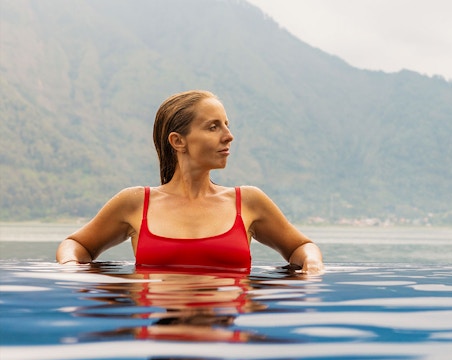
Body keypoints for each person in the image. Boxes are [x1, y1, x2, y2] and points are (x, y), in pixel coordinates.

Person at [56, 90, 323, 274]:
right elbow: (77, 245)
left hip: (227, 344)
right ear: (178, 141)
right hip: (163, 338)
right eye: (213, 127)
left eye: (227, 125)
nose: (229, 136)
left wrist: (312, 263)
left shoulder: (249, 201)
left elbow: (301, 247)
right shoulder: (135, 203)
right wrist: (70, 266)